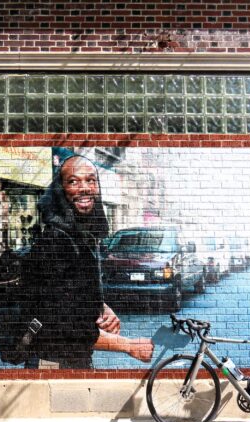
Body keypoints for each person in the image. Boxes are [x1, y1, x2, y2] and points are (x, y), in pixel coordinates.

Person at [25, 155, 154, 369]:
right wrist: (128, 345)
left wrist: (100, 307)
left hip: (74, 361)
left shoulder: (78, 238)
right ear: (61, 191)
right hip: (52, 364)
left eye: (91, 180)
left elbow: (71, 293)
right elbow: (66, 325)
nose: (84, 188)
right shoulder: (55, 242)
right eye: (73, 181)